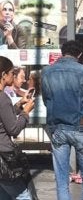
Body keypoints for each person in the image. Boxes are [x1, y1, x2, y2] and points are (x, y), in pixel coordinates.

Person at [41, 40, 83, 200]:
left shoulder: (47, 72)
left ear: (62, 52)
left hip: (58, 127)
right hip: (81, 127)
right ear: (79, 54)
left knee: (61, 180)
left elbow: (46, 98)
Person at [0, 56, 37, 199]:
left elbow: (3, 117)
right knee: (22, 195)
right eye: (11, 73)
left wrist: (19, 105)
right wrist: (25, 112)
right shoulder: (3, 98)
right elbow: (13, 129)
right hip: (4, 155)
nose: (13, 76)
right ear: (3, 75)